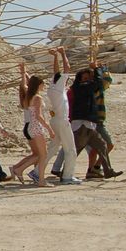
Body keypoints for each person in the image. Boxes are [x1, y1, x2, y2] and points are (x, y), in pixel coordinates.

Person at [67, 65, 122, 180]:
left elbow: (103, 81)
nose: (87, 80)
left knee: (101, 146)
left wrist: (99, 69)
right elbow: (98, 82)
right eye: (85, 78)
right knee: (77, 149)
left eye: (89, 78)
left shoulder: (89, 88)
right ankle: (66, 173)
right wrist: (97, 69)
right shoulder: (82, 88)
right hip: (83, 124)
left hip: (90, 124)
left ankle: (103, 170)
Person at [10, 62, 54, 186]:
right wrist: (49, 129)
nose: (44, 86)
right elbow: (39, 116)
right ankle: (39, 179)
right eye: (42, 84)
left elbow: (24, 85)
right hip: (36, 126)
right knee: (43, 155)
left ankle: (36, 177)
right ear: (39, 85)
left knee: (40, 154)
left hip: (30, 126)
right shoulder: (38, 98)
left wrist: (23, 73)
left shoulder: (28, 96)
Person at [46, 48, 82, 184]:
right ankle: (67, 176)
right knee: (71, 150)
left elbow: (56, 72)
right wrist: (63, 53)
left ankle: (37, 171)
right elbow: (67, 68)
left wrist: (55, 56)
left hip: (55, 120)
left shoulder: (52, 86)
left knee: (52, 148)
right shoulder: (60, 86)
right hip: (62, 120)